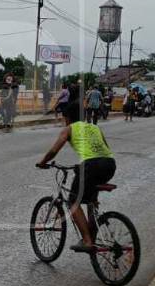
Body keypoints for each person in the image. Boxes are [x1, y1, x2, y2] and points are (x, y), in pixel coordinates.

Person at [36, 101, 116, 254]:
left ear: (67, 117)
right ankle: (93, 232)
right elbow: (104, 148)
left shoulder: (69, 129)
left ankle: (87, 240)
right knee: (90, 197)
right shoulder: (95, 127)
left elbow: (53, 151)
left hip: (92, 165)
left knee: (73, 200)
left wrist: (42, 162)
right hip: (109, 164)